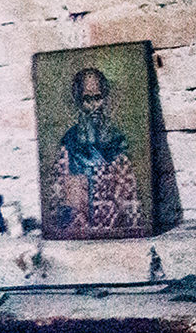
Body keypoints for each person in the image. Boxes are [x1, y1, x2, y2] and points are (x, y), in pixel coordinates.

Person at [49, 64, 144, 235]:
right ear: (78, 101)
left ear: (105, 99)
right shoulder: (68, 144)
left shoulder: (117, 142)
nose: (95, 106)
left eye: (98, 98)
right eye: (87, 99)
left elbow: (130, 200)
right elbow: (58, 200)